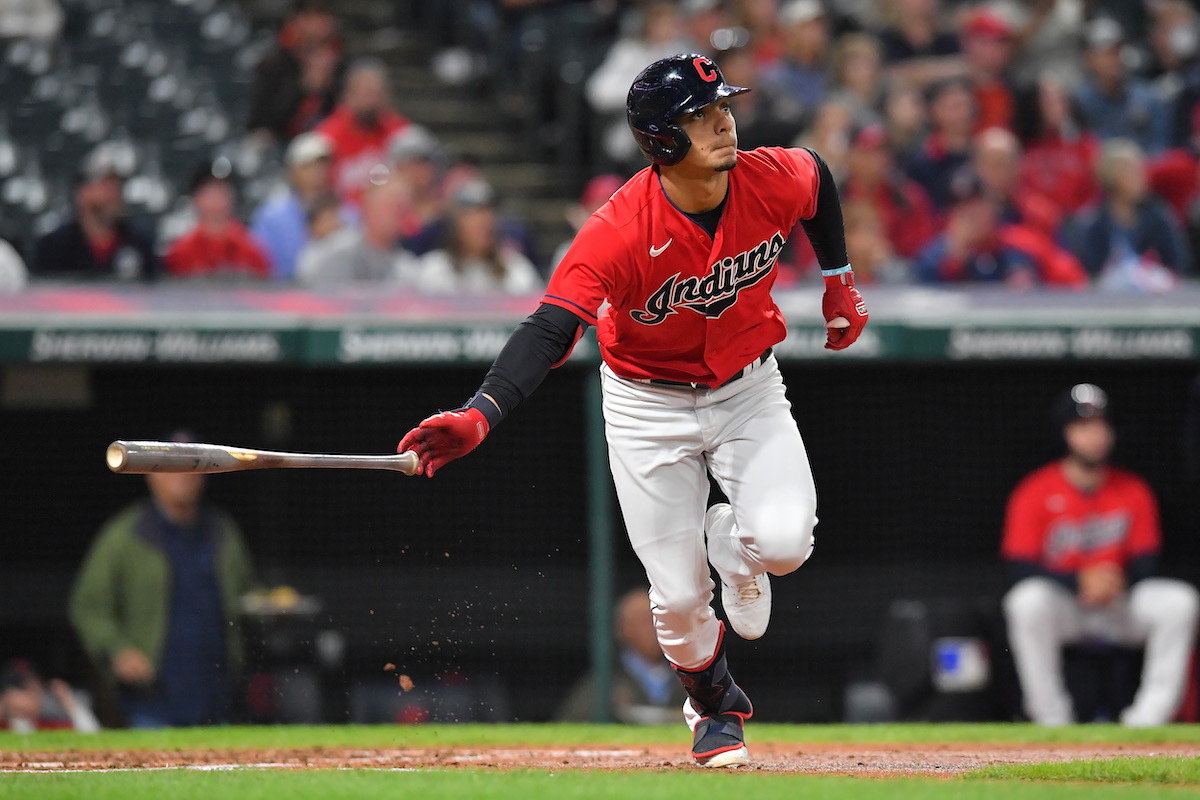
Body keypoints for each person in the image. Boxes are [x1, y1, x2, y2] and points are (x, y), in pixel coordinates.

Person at [397, 54, 868, 767]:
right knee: (677, 602)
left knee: (785, 545)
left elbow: (818, 178)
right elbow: (551, 330)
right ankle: (715, 707)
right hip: (648, 406)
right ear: (661, 140)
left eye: (723, 107)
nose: (723, 121)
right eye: (701, 115)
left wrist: (838, 279)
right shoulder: (617, 228)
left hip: (747, 389)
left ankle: (731, 546)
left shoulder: (768, 175)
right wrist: (479, 414)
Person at [1002, 384, 1200, 727]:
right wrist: (1078, 580)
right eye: (1084, 426)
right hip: (1068, 608)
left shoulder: (1133, 489)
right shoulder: (1035, 491)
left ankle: (1149, 720)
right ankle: (1051, 719)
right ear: (1065, 433)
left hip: (1118, 604)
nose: (1095, 435)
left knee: (1180, 601)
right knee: (1026, 601)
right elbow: (1020, 567)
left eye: (1101, 425)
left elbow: (1147, 560)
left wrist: (1115, 579)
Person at [69, 430, 258, 728]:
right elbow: (88, 605)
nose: (183, 475)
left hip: (217, 691)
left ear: (206, 475)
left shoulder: (222, 532)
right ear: (151, 474)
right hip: (152, 697)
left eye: (194, 465)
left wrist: (270, 608)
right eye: (172, 467)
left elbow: (248, 596)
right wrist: (117, 650)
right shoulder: (126, 535)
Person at [1064, 138, 1192, 287]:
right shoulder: (1091, 223)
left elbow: (1177, 265)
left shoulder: (1158, 217)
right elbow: (1089, 274)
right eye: (1133, 172)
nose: (1142, 178)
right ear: (1113, 177)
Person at [557, 587, 690, 724]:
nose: (655, 628)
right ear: (623, 629)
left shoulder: (689, 674)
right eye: (645, 621)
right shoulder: (604, 681)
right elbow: (572, 723)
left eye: (661, 620)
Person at [32, 146, 158, 281]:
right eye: (106, 184)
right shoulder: (55, 248)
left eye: (118, 185)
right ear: (82, 192)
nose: (115, 192)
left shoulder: (139, 244)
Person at [250, 132, 353, 280]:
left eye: (323, 165)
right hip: (283, 295)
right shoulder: (272, 216)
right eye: (308, 166)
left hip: (336, 294)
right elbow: (260, 264)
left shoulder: (347, 213)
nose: (317, 171)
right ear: (293, 171)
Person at [408, 179, 541, 294]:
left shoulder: (516, 269)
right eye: (473, 217)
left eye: (487, 216)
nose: (483, 223)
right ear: (457, 224)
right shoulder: (435, 270)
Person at [246, 0, 345, 144]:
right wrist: (303, 88)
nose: (319, 24)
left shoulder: (342, 64)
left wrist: (328, 86)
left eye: (324, 15)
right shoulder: (274, 64)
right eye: (310, 16)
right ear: (295, 20)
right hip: (282, 147)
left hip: (329, 147)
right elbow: (260, 122)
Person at [315, 58, 409, 205]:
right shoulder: (328, 135)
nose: (371, 101)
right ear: (348, 95)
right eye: (365, 93)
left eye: (376, 93)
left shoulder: (400, 133)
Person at [1074, 17, 1169, 156]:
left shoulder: (1148, 97)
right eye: (1108, 53)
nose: (1116, 58)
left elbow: (1160, 147)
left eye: (1118, 51)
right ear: (1089, 59)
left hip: (1144, 171)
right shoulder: (1079, 102)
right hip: (1100, 173)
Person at [164, 160, 271, 280]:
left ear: (233, 198)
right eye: (209, 194)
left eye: (222, 192)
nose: (216, 202)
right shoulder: (180, 253)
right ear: (195, 198)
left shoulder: (251, 250)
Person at [296, 175, 410, 287]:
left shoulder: (405, 267)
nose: (398, 213)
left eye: (403, 207)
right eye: (391, 205)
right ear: (368, 205)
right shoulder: (336, 252)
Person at [0, 659, 100, 732]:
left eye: (35, 688)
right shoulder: (5, 724)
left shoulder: (53, 718)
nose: (34, 695)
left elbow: (94, 736)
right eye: (24, 690)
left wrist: (69, 702)